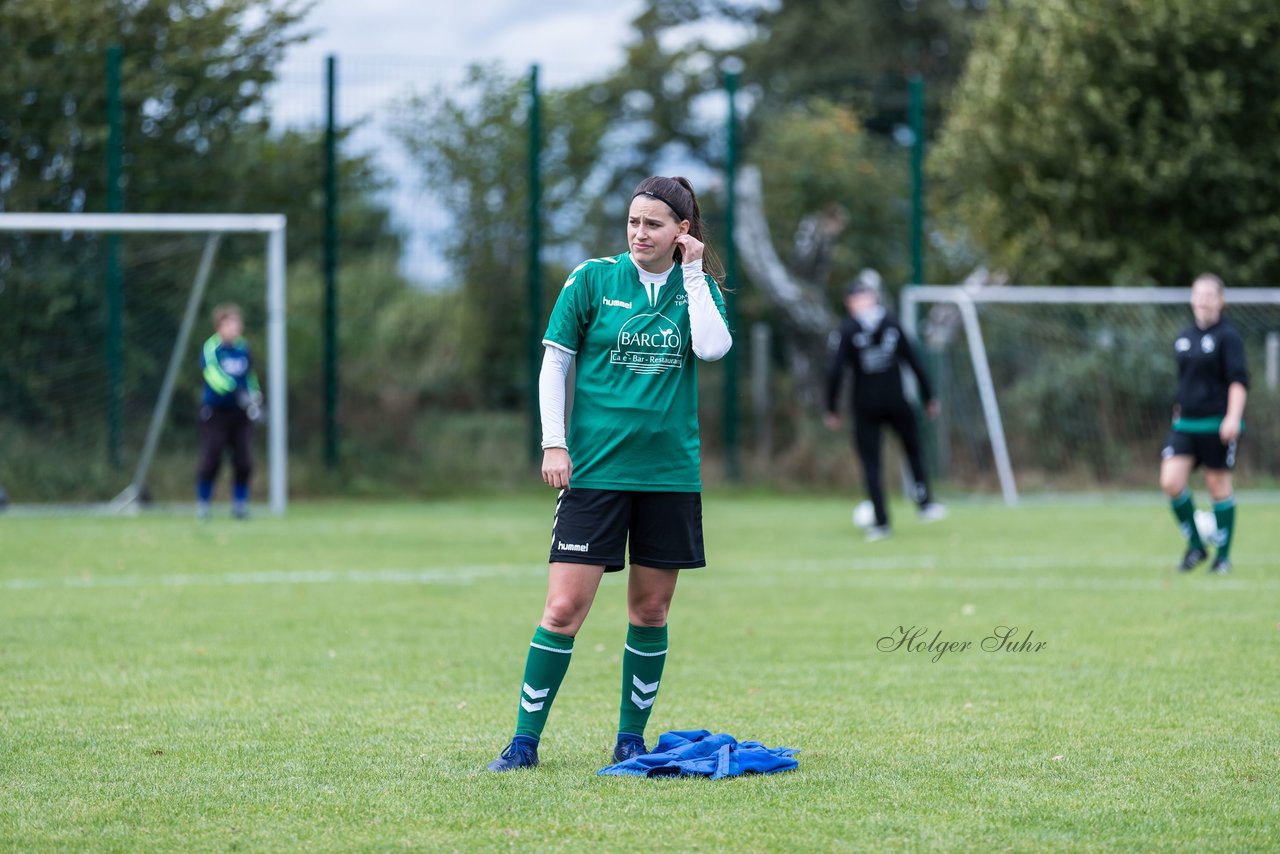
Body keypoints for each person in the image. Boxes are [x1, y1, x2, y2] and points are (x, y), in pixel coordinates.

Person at [486, 176, 732, 772]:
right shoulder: (591, 278)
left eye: (653, 224)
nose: (639, 233)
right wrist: (554, 444)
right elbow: (555, 364)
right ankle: (522, 743)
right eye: (633, 222)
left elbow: (714, 349)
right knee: (563, 609)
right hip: (595, 473)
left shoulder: (696, 287)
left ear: (683, 231)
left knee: (650, 611)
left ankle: (630, 739)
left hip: (669, 475)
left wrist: (695, 275)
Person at [824, 271, 946, 541]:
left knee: (910, 451)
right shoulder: (866, 326)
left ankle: (922, 504)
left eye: (862, 296)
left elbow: (913, 360)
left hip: (887, 403)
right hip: (874, 406)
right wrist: (832, 408)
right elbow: (835, 372)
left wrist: (929, 397)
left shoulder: (856, 327)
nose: (859, 302)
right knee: (874, 463)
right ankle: (884, 519)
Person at [1159, 273, 1248, 573]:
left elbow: (1238, 381)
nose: (1204, 301)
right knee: (1171, 481)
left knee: (1217, 486)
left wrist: (1233, 417)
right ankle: (1197, 546)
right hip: (1185, 424)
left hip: (1216, 424)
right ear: (1191, 299)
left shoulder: (1228, 337)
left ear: (1221, 301)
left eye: (1210, 295)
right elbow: (1186, 382)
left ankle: (1222, 557)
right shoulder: (1183, 337)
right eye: (1199, 294)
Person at [196, 303, 262, 520]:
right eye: (229, 324)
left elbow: (250, 375)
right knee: (212, 457)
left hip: (239, 413)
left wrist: (254, 395)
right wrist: (237, 391)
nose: (233, 328)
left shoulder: (244, 347)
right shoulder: (211, 348)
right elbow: (213, 376)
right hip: (215, 412)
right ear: (219, 326)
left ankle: (240, 505)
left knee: (243, 460)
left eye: (236, 324)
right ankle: (204, 504)